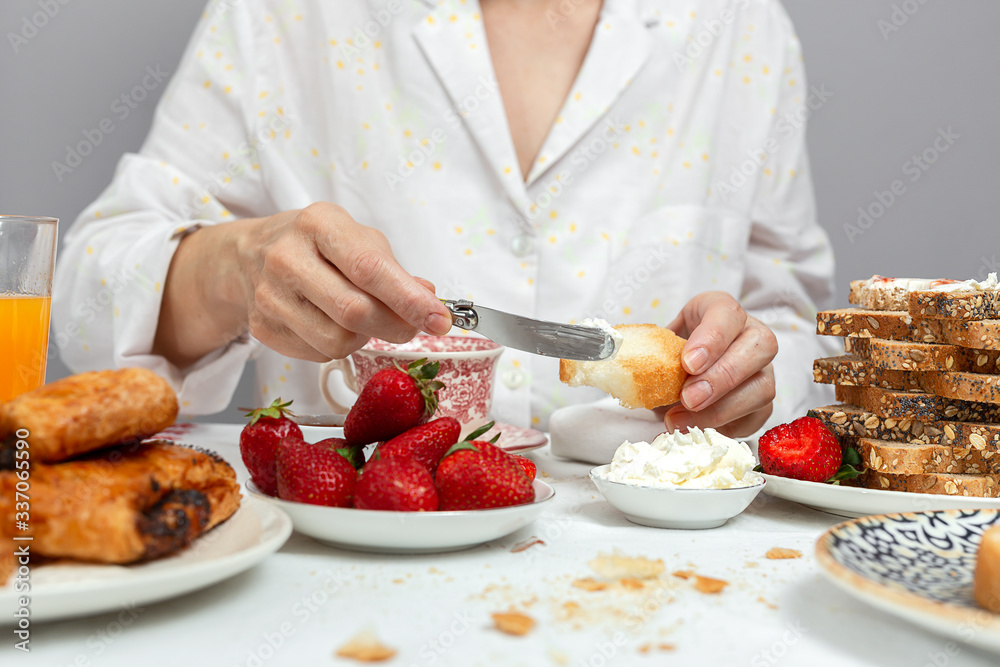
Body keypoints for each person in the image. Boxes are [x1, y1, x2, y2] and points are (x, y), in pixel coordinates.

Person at [52, 0, 837, 438]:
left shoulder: (742, 27)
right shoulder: (282, 16)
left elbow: (790, 319)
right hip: (344, 576)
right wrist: (236, 266)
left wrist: (749, 371)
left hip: (651, 586)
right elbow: (92, 281)